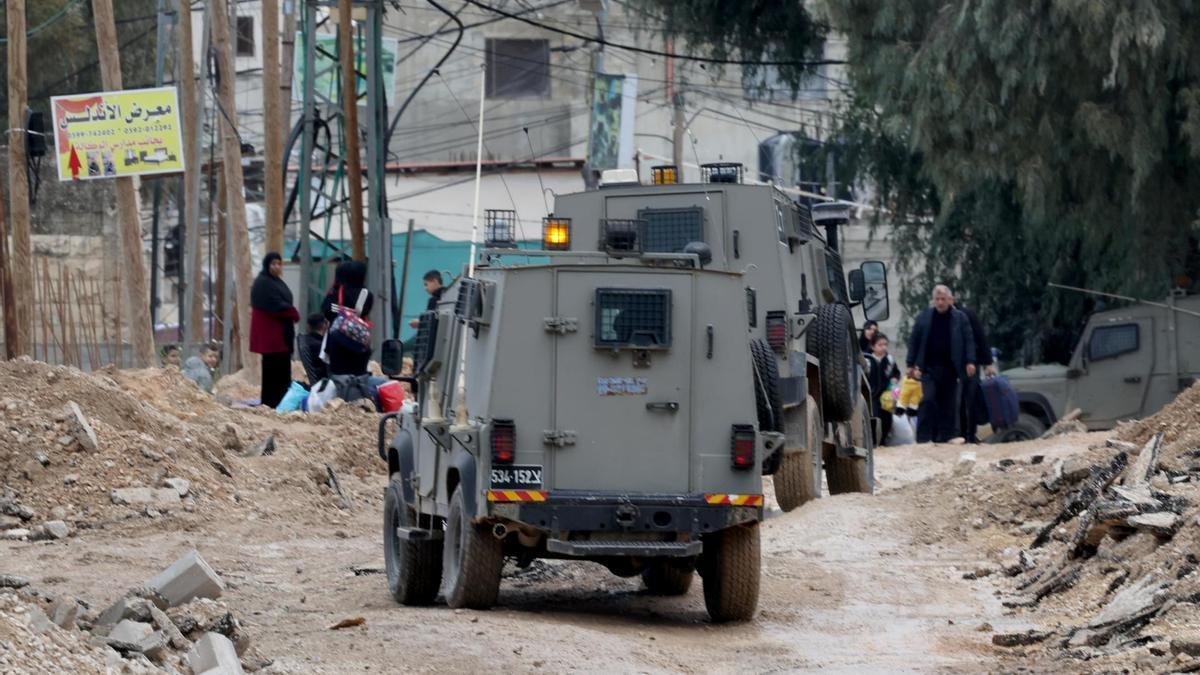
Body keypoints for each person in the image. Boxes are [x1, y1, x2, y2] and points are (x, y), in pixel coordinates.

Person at [906, 284, 976, 443]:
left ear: (949, 300)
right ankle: (923, 437)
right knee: (928, 399)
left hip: (951, 368)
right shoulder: (924, 317)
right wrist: (910, 363)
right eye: (937, 299)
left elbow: (969, 340)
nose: (940, 302)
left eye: (943, 299)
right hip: (929, 368)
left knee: (948, 403)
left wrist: (970, 361)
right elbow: (914, 340)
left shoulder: (959, 318)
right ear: (933, 300)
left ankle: (946, 436)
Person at [250, 252, 300, 408]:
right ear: (267, 265)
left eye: (279, 264)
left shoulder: (276, 282)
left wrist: (290, 311)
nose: (277, 267)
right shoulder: (263, 283)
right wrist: (292, 312)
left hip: (279, 336)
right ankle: (272, 403)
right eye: (273, 264)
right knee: (273, 371)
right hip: (272, 337)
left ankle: (282, 402)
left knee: (282, 369)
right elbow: (274, 305)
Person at [322, 260, 374, 376]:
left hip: (336, 342)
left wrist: (341, 311)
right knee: (358, 377)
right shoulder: (366, 294)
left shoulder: (335, 293)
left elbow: (326, 311)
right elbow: (364, 312)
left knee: (337, 378)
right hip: (359, 343)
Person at [955, 298, 996, 443]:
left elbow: (980, 337)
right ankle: (959, 435)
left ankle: (971, 435)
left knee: (971, 401)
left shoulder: (967, 314)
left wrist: (987, 363)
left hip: (970, 365)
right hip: (951, 369)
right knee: (956, 403)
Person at [866, 333, 900, 445]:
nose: (883, 347)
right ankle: (874, 442)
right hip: (872, 395)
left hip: (887, 395)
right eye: (880, 345)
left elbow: (896, 372)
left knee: (887, 419)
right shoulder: (868, 360)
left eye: (885, 344)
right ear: (873, 346)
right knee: (875, 417)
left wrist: (895, 378)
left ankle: (883, 441)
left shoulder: (889, 360)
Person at [298, 313, 329, 385]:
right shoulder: (321, 346)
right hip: (325, 383)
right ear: (324, 326)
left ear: (308, 326)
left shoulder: (306, 341)